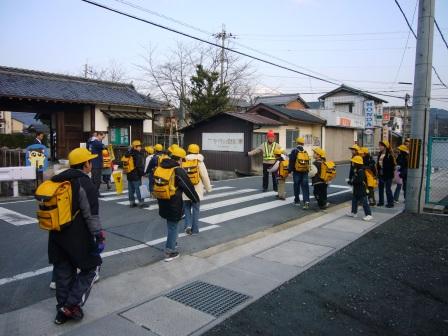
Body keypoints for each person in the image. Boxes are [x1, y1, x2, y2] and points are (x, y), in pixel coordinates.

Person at [49, 147, 104, 324]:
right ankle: (71, 306)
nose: (91, 164)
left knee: (63, 272)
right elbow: (91, 215)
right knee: (92, 268)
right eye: (90, 161)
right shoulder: (84, 183)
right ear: (85, 164)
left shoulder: (58, 179)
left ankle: (61, 310)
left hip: (56, 235)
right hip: (77, 237)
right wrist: (99, 236)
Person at [154, 146, 199, 261]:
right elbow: (187, 186)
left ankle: (173, 242)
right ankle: (170, 251)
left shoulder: (161, 166)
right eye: (181, 159)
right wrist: (195, 199)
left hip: (162, 200)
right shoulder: (177, 170)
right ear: (178, 159)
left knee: (170, 224)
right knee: (173, 226)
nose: (182, 162)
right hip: (174, 203)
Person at [182, 144, 212, 235]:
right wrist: (208, 188)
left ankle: (188, 225)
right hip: (196, 190)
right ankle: (195, 230)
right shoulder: (199, 161)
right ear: (198, 151)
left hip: (185, 189)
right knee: (196, 210)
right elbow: (204, 176)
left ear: (188, 151)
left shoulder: (183, 160)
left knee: (186, 208)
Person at [347, 155, 373, 221]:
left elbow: (359, 180)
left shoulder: (361, 170)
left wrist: (351, 182)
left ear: (357, 163)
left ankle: (369, 215)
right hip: (357, 188)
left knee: (364, 202)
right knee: (354, 200)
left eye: (354, 162)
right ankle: (354, 212)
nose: (352, 163)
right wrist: (351, 181)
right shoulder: (358, 169)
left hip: (361, 189)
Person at [288, 137, 311, 209]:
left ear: (297, 143)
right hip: (305, 171)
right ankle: (306, 201)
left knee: (296, 185)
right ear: (303, 144)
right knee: (305, 186)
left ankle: (297, 200)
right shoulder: (305, 151)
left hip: (296, 171)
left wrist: (289, 171)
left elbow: (291, 161)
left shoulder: (294, 151)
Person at [124, 140, 145, 208]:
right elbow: (139, 166)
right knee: (138, 189)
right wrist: (142, 174)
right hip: (136, 174)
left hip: (129, 174)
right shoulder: (138, 155)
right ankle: (141, 203)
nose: (140, 148)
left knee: (131, 189)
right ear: (136, 147)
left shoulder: (128, 154)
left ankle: (131, 203)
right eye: (139, 146)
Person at [376, 140, 396, 208]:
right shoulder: (380, 154)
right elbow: (378, 164)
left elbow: (392, 166)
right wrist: (379, 171)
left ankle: (390, 203)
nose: (380, 147)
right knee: (380, 188)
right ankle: (381, 202)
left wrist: (384, 169)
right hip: (381, 174)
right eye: (379, 145)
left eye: (381, 145)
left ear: (385, 147)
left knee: (388, 189)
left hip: (388, 175)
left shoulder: (389, 155)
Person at [87, 132, 105, 197]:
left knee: (93, 180)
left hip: (92, 162)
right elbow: (103, 146)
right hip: (97, 163)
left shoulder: (90, 142)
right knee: (97, 180)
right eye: (102, 137)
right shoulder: (96, 142)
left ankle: (91, 192)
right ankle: (95, 193)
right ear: (98, 135)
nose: (102, 139)